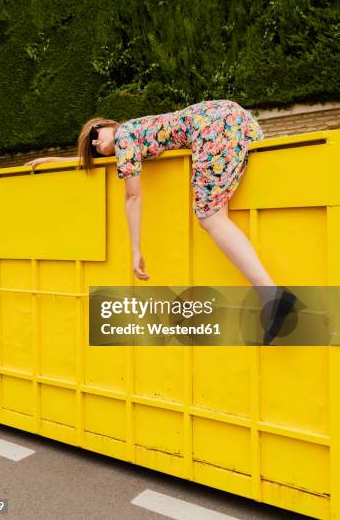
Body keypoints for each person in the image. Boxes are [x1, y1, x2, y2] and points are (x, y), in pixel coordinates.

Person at [24, 99, 296, 344]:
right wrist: (54, 159)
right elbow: (101, 159)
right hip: (232, 116)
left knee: (209, 216)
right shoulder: (135, 133)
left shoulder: (124, 137)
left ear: (110, 125)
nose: (97, 144)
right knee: (214, 212)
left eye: (96, 135)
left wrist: (135, 250)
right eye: (93, 148)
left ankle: (272, 295)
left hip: (212, 127)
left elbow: (133, 197)